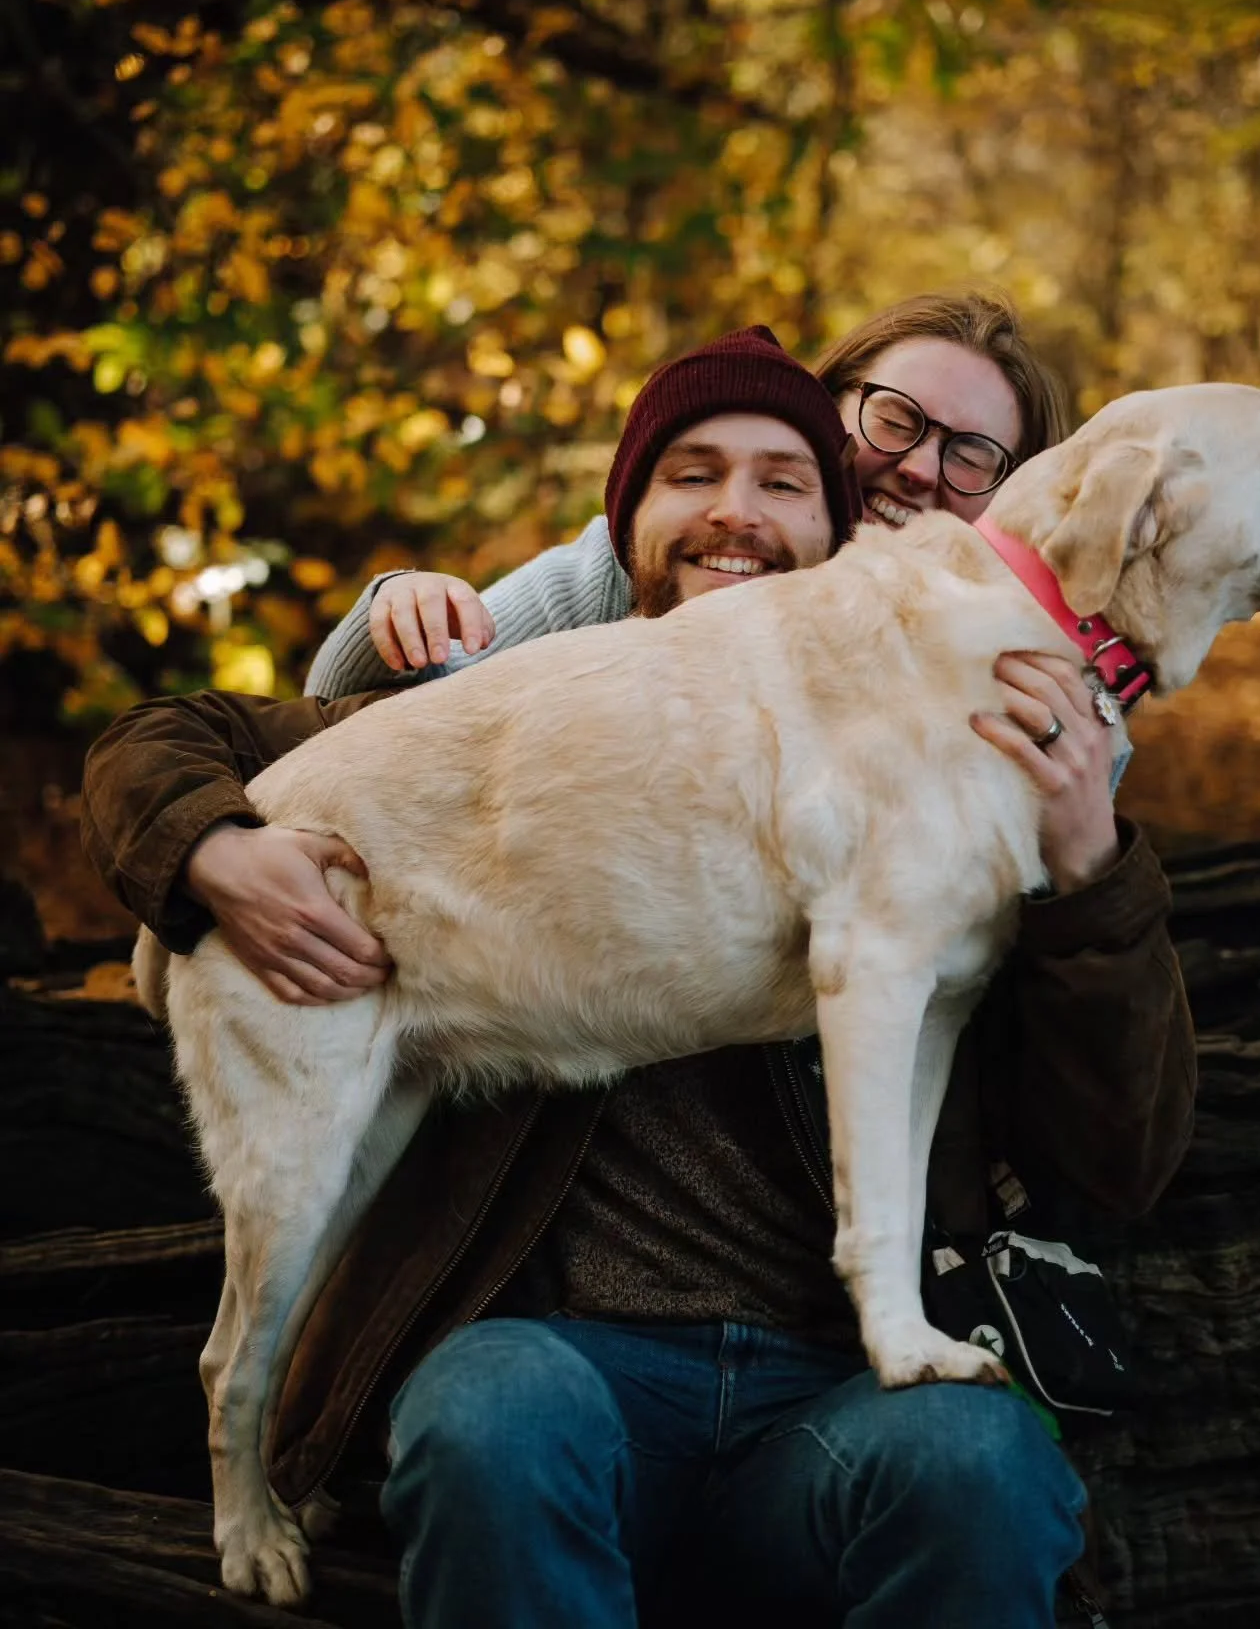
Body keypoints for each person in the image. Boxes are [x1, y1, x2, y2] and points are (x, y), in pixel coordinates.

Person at [81, 319, 1195, 1629]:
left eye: (970, 452)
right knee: (485, 1413)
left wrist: (1089, 870)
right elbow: (183, 734)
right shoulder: (508, 695)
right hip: (564, 1377)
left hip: (833, 1401)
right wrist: (209, 848)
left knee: (981, 1464)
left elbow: (1119, 1155)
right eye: (892, 423)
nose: (739, 515)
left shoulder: (1013, 763)